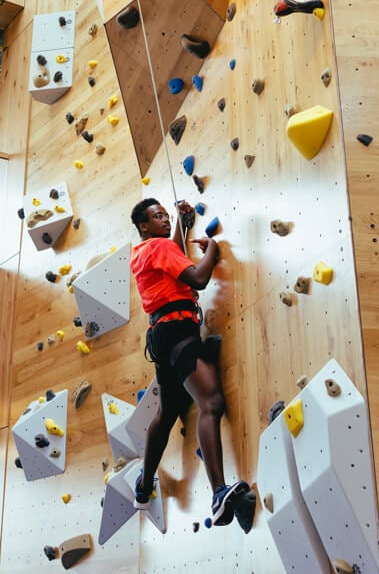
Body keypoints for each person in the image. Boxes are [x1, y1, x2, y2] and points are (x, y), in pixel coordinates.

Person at [129, 198, 248, 526]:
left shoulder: (142, 253)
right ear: (143, 226)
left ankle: (143, 486)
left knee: (167, 412)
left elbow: (172, 255)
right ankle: (218, 492)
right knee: (211, 403)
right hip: (180, 332)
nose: (164, 220)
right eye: (157, 217)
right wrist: (213, 248)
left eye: (166, 215)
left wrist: (182, 222)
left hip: (161, 336)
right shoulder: (159, 247)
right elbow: (196, 278)